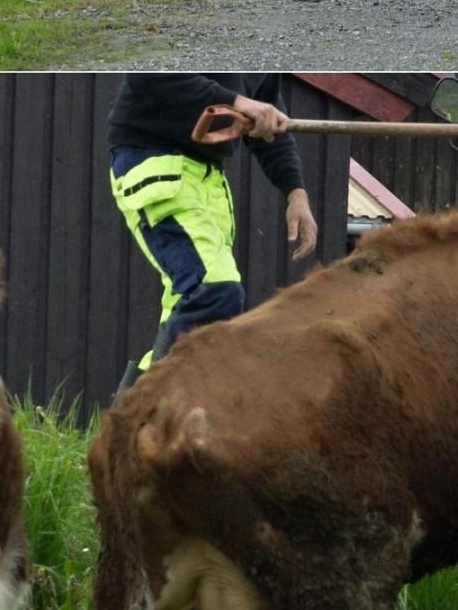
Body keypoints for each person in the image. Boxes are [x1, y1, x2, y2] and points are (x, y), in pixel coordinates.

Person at [108, 73, 318, 386]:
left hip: (207, 180)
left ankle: (132, 417)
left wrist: (295, 192)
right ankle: (145, 412)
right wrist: (239, 102)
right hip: (156, 162)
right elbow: (149, 76)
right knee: (212, 291)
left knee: (188, 306)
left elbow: (270, 121)